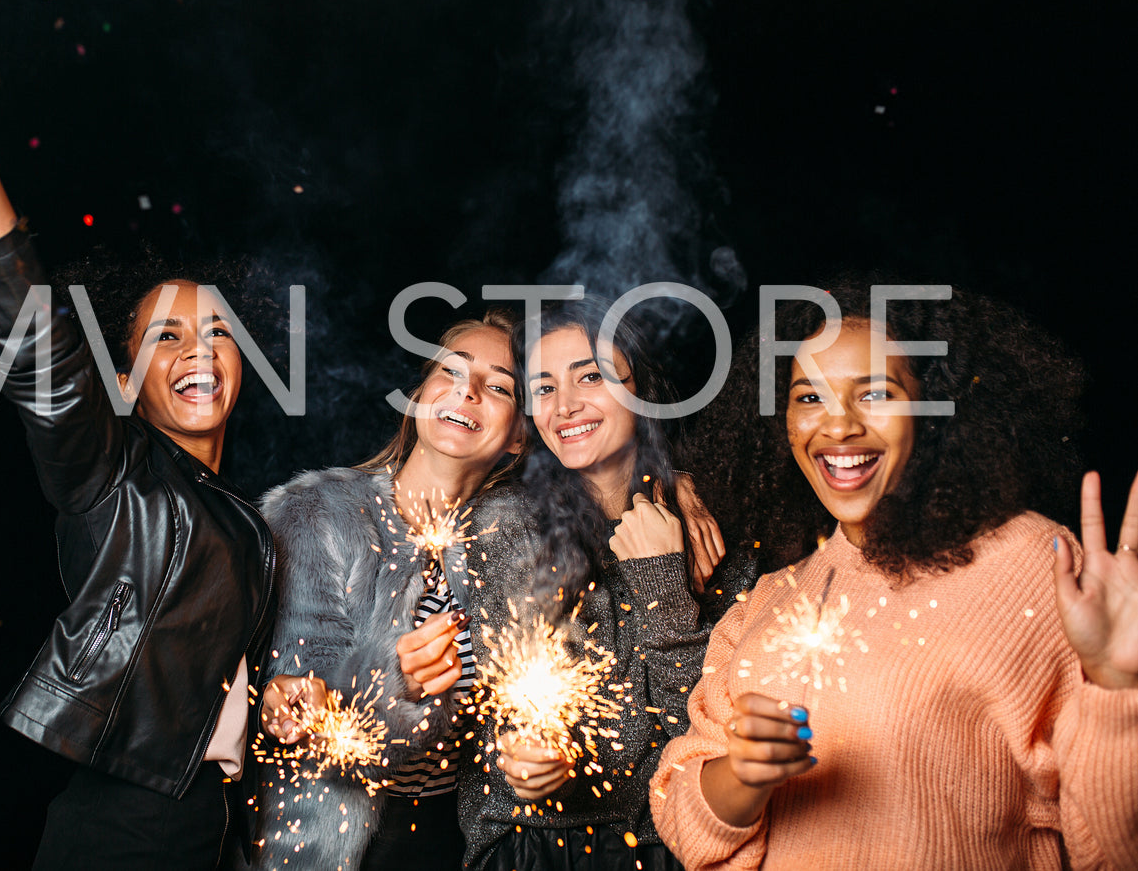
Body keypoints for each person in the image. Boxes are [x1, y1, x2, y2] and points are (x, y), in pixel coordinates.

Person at [0, 0, 276, 870]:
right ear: (125, 375)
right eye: (165, 336)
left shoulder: (243, 516)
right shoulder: (110, 472)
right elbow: (30, 331)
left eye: (214, 331)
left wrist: (273, 705)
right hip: (122, 831)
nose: (195, 350)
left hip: (213, 830)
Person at [650, 280, 1138, 870]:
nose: (838, 427)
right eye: (810, 398)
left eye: (875, 393)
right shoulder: (769, 601)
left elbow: (1110, 849)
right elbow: (684, 820)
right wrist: (743, 776)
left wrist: (1115, 685)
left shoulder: (1035, 565)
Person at [455, 298, 740, 871]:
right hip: (535, 846)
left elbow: (711, 736)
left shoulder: (710, 522)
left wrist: (661, 575)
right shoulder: (504, 526)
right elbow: (606, 749)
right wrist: (526, 757)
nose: (566, 406)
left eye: (591, 376)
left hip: (678, 844)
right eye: (543, 388)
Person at [253, 310, 527, 871]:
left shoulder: (519, 545)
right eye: (450, 372)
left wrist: (679, 485)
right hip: (332, 843)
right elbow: (306, 714)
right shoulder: (316, 515)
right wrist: (397, 686)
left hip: (456, 843)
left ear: (521, 434)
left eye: (498, 385)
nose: (467, 390)